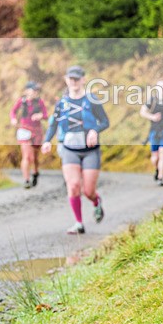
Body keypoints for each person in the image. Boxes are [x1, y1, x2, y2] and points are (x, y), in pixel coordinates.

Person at [41, 66, 110, 235]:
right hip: (69, 148)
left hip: (90, 150)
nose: (74, 82)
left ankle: (96, 201)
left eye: (77, 79)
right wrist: (47, 141)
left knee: (88, 191)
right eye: (71, 79)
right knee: (73, 186)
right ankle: (79, 223)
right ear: (66, 80)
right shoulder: (61, 104)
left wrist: (95, 130)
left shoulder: (92, 100)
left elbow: (105, 122)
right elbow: (53, 125)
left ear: (83, 80)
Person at [10, 81, 49, 189]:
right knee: (26, 155)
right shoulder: (21, 101)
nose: (35, 92)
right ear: (27, 91)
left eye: (37, 90)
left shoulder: (39, 102)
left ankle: (35, 172)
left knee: (34, 157)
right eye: (33, 90)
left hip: (37, 131)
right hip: (24, 129)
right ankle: (26, 179)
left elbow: (46, 115)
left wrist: (40, 115)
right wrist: (13, 119)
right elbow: (13, 111)